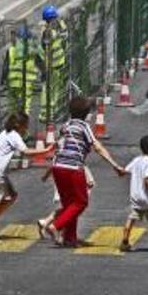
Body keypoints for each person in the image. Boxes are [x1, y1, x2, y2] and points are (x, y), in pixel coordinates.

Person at [42, 97, 122, 247]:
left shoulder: (65, 126)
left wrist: (48, 172)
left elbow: (59, 148)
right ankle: (55, 226)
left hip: (58, 167)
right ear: (86, 113)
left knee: (69, 205)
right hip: (73, 168)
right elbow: (97, 147)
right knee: (81, 202)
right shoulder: (84, 127)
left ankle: (69, 238)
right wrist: (115, 165)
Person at [0, 112, 52, 241]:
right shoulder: (14, 136)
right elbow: (26, 152)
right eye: (25, 126)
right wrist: (46, 151)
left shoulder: (4, 133)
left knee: (10, 196)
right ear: (18, 125)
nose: (26, 129)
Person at [3, 26, 45, 117]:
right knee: (25, 105)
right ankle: (22, 125)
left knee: (13, 106)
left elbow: (5, 67)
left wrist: (2, 80)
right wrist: (44, 74)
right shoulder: (33, 50)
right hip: (27, 82)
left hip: (13, 82)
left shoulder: (11, 50)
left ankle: (13, 123)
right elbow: (41, 63)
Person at [39, 5, 68, 124]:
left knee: (51, 89)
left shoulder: (51, 30)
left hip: (55, 64)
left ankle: (49, 112)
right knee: (51, 89)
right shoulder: (54, 29)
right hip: (55, 64)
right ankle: (48, 112)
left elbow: (47, 47)